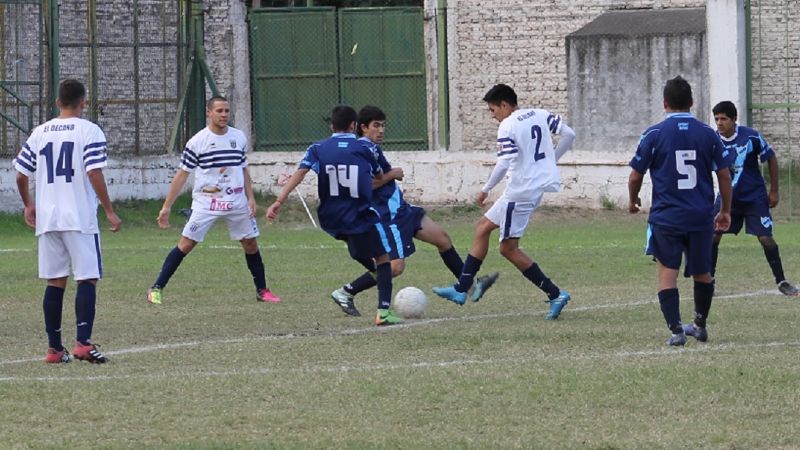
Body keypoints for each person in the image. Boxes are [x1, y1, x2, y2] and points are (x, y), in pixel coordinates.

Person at [328, 105, 497, 317]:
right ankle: (346, 292)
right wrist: (392, 174)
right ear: (362, 127)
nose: (381, 130)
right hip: (389, 217)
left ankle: (468, 286)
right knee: (395, 267)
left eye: (383, 126)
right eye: (376, 126)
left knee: (443, 239)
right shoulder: (362, 149)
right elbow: (365, 185)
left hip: (403, 210)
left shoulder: (371, 148)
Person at [432, 84, 576, 320]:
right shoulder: (540, 114)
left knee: (508, 249)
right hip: (531, 189)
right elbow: (569, 134)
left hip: (520, 191)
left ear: (504, 105)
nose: (493, 116)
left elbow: (504, 163)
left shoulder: (508, 125)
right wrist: (551, 160)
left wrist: (485, 189)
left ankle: (555, 293)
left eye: (493, 110)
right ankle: (461, 288)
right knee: (482, 228)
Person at [14, 78, 122, 364]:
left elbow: (21, 174)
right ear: (83, 102)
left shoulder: (40, 132)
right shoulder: (89, 130)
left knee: (55, 280)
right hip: (79, 216)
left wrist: (29, 204)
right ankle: (83, 344)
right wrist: (109, 210)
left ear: (57, 102)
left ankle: (54, 349)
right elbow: (94, 171)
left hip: (48, 218)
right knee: (87, 277)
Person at [266, 105, 402, 326]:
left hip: (331, 218)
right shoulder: (365, 147)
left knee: (364, 256)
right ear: (354, 125)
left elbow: (299, 173)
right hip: (358, 215)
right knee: (384, 261)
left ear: (332, 126)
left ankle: (348, 291)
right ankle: (383, 312)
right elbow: (378, 177)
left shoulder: (317, 148)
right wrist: (389, 173)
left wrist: (279, 201)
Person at [628, 76, 734, 346]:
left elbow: (636, 175)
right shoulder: (708, 134)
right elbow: (724, 175)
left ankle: (676, 330)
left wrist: (633, 199)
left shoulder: (654, 134)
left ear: (664, 103)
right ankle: (699, 324)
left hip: (667, 216)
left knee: (668, 272)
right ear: (692, 102)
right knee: (703, 272)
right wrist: (725, 210)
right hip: (700, 215)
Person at [146, 96, 280, 304]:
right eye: (219, 111)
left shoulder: (239, 137)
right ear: (209, 113)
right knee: (186, 244)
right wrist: (166, 207)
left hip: (236, 201)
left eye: (226, 110)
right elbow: (182, 175)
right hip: (207, 202)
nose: (224, 115)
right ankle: (156, 288)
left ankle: (262, 291)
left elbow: (243, 169)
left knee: (250, 243)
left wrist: (251, 198)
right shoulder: (197, 142)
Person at [709, 101, 798, 296]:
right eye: (717, 119)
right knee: (713, 235)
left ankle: (782, 281)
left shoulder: (751, 137)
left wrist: (774, 191)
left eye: (724, 119)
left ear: (734, 119)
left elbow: (771, 158)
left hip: (754, 198)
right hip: (727, 199)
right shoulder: (713, 140)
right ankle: (709, 281)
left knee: (766, 238)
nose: (719, 123)